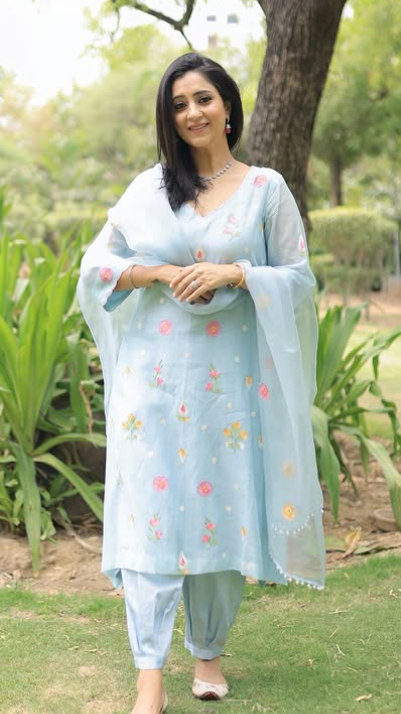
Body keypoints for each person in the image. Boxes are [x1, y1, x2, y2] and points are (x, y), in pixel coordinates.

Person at [77, 52, 326, 714]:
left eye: (203, 99)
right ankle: (149, 676)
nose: (192, 112)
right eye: (178, 104)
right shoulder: (149, 189)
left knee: (220, 513)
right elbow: (96, 268)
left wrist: (235, 273)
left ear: (227, 106)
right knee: (149, 518)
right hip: (152, 386)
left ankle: (208, 652)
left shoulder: (265, 188)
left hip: (229, 391)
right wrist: (158, 273)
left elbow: (298, 277)